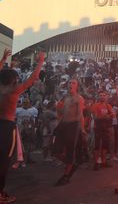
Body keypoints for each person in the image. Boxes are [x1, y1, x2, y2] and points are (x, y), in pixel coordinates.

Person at [0, 50, 44, 203]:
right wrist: (40, 61)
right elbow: (32, 79)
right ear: (12, 80)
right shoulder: (14, 90)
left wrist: (4, 59)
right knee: (4, 161)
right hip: (7, 127)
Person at [52, 79, 85, 186]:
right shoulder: (65, 98)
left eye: (73, 83)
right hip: (63, 125)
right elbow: (60, 113)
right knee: (56, 151)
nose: (70, 84)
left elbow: (80, 114)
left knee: (70, 151)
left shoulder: (79, 98)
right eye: (69, 83)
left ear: (77, 86)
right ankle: (71, 163)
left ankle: (66, 175)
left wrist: (82, 129)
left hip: (73, 125)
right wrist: (58, 122)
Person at [90, 91, 114, 170]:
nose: (102, 97)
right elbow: (95, 117)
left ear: (106, 97)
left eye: (104, 95)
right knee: (97, 145)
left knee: (105, 144)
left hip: (105, 127)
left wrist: (108, 116)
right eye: (101, 95)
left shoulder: (108, 105)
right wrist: (105, 116)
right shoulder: (95, 105)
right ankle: (96, 162)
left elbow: (113, 114)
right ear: (98, 97)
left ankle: (103, 162)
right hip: (98, 127)